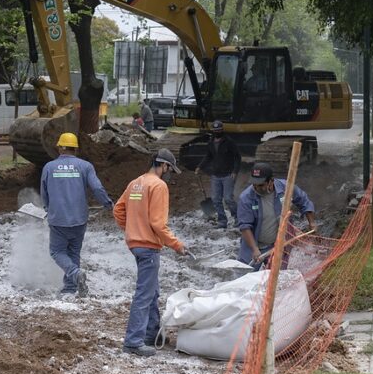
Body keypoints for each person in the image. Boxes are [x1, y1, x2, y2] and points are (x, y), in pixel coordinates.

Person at [113, 148, 188, 357]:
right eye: (170, 169)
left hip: (136, 245)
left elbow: (118, 210)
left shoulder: (135, 183)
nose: (169, 173)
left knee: (152, 290)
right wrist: (177, 245)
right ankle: (133, 342)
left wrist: (132, 228)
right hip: (148, 247)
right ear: (163, 165)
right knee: (144, 294)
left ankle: (152, 333)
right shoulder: (158, 185)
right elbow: (158, 223)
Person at [40, 132, 113, 298]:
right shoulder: (85, 166)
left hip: (58, 219)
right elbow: (97, 188)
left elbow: (44, 193)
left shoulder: (49, 167)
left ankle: (74, 274)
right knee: (73, 252)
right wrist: (107, 203)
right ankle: (71, 287)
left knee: (56, 252)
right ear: (75, 149)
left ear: (60, 148)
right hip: (79, 219)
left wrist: (48, 208)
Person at [236, 162, 315, 271]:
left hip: (279, 245)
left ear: (271, 181)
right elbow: (245, 226)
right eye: (254, 184)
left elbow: (304, 201)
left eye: (260, 185)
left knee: (276, 278)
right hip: (253, 246)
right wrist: (254, 249)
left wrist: (311, 223)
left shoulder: (285, 188)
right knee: (244, 277)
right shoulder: (246, 198)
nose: (256, 188)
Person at [195, 120, 241, 228]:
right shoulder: (211, 142)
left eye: (219, 130)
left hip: (228, 174)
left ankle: (238, 218)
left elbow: (237, 157)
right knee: (216, 199)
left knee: (228, 198)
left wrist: (235, 171)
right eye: (215, 130)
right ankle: (222, 221)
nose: (217, 132)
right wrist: (200, 166)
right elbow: (208, 156)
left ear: (222, 130)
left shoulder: (229, 142)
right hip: (215, 175)